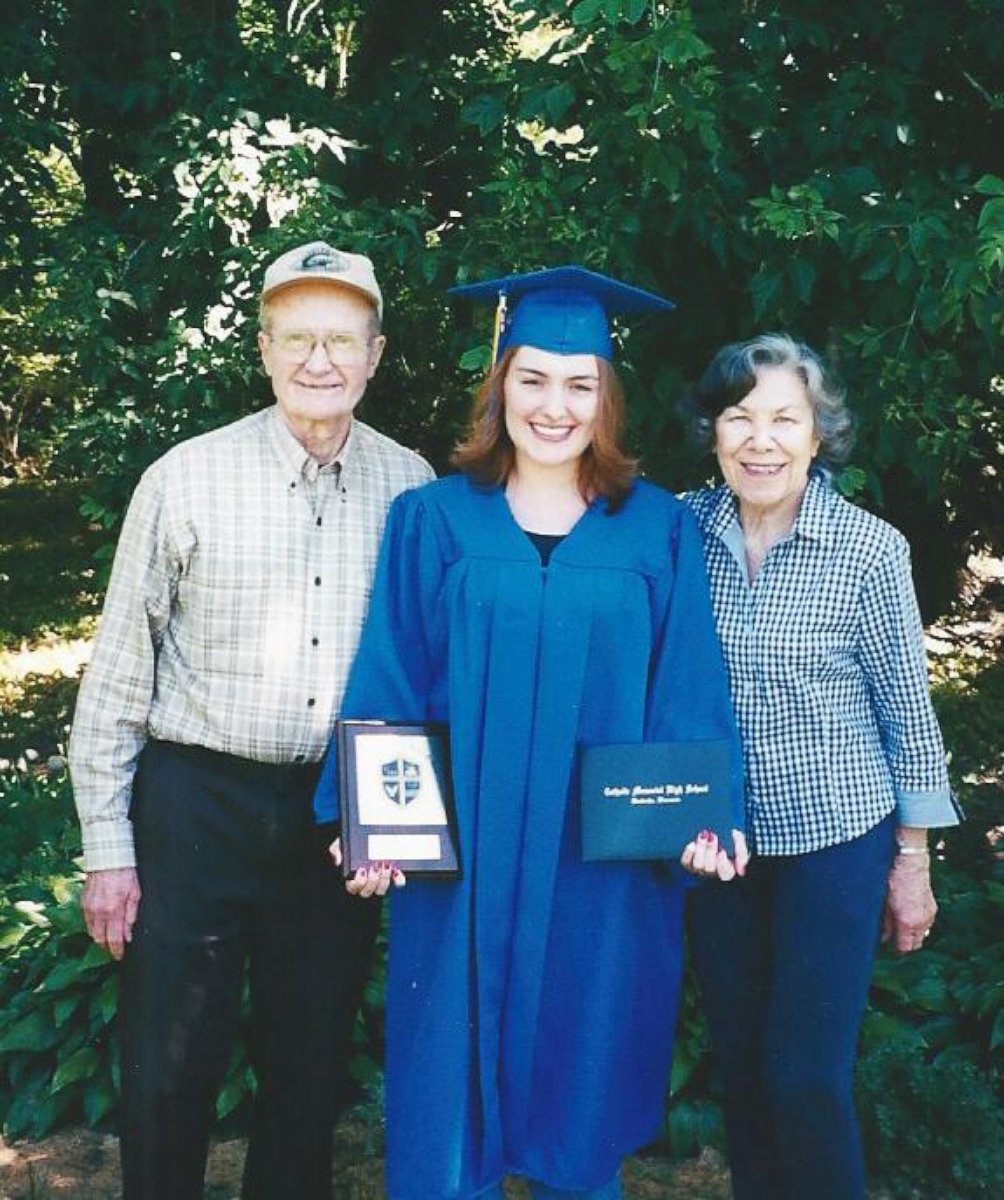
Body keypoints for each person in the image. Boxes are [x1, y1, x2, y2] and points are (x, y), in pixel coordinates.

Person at [314, 266, 747, 1200]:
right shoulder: (430, 520)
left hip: (598, 861)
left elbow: (687, 687)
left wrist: (710, 819)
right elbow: (391, 676)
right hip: (462, 858)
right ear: (499, 382)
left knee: (582, 1087)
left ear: (608, 397)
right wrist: (367, 821)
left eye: (580, 383)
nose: (555, 406)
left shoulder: (658, 529)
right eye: (533, 379)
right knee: (445, 1099)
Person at [68, 241, 434, 1200]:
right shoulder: (185, 478)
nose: (320, 361)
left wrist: (392, 820)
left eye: (342, 341)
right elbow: (116, 676)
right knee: (169, 1059)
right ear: (265, 351)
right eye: (299, 339)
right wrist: (108, 850)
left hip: (329, 810)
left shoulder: (412, 487)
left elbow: (420, 670)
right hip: (197, 799)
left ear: (376, 354)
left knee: (308, 1063)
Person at [681, 333, 961, 1200]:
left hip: (836, 838)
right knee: (742, 1069)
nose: (760, 440)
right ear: (715, 432)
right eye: (740, 417)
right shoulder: (678, 530)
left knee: (805, 1077)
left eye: (782, 419)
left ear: (816, 434)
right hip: (718, 844)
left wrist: (911, 861)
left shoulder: (870, 549)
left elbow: (907, 713)